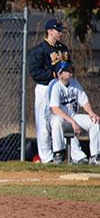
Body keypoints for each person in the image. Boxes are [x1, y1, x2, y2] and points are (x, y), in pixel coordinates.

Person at [28, 18, 71, 163]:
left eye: (60, 31)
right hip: (45, 88)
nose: (60, 33)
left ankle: (67, 153)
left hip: (61, 88)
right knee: (44, 122)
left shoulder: (63, 49)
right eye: (57, 30)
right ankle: (46, 157)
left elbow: (69, 66)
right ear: (49, 31)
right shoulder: (39, 50)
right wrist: (53, 74)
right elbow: (34, 73)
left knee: (64, 118)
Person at [47, 61, 100, 165]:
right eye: (66, 70)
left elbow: (84, 101)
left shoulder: (74, 83)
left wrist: (91, 112)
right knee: (57, 121)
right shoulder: (54, 85)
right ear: (60, 74)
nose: (70, 72)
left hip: (74, 116)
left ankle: (95, 156)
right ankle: (58, 153)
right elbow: (55, 109)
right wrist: (72, 122)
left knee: (95, 121)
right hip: (60, 117)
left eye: (70, 69)